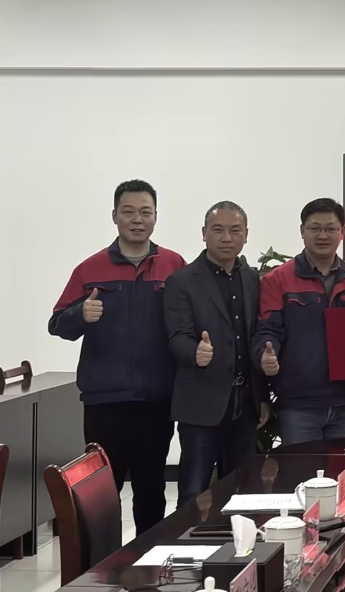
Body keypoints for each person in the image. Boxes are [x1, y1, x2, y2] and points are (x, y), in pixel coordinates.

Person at [48, 179, 186, 535]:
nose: (137, 219)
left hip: (156, 400)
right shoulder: (90, 268)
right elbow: (57, 324)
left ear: (156, 217)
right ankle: (102, 564)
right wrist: (81, 314)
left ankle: (149, 559)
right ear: (114, 216)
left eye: (145, 212)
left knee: (151, 489)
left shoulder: (174, 265)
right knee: (102, 495)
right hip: (105, 403)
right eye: (128, 212)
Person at [163, 201, 271, 507]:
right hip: (201, 402)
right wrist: (195, 352)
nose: (226, 238)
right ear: (204, 233)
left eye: (235, 230)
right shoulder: (182, 281)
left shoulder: (251, 278)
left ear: (246, 235)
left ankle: (236, 539)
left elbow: (256, 338)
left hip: (244, 404)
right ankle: (187, 538)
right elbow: (177, 336)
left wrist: (262, 396)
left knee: (242, 490)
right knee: (193, 493)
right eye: (218, 230)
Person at [252, 198, 345, 446]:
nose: (322, 235)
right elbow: (268, 330)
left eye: (330, 228)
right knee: (301, 469)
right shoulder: (278, 280)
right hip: (299, 405)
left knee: (341, 470)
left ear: (342, 232)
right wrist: (265, 356)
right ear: (302, 231)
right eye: (314, 228)